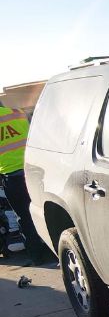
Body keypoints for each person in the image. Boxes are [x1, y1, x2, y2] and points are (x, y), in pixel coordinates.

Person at [0, 102, 53, 264]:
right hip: (33, 170)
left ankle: (37, 256)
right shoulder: (17, 112)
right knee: (42, 211)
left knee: (25, 216)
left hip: (12, 177)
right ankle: (53, 250)